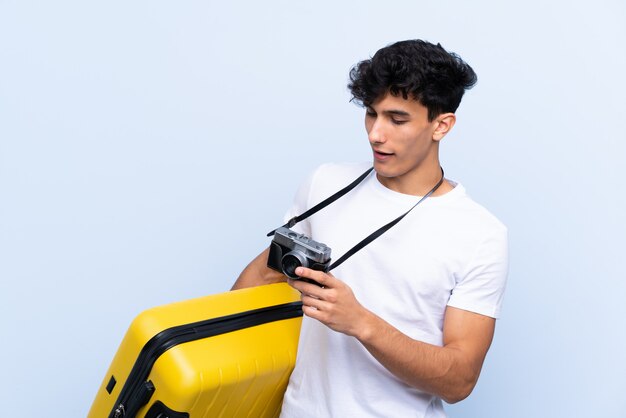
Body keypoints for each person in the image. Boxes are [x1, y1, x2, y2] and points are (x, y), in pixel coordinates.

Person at [232, 39, 508, 417]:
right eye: (370, 114)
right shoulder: (324, 183)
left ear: (441, 125)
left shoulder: (480, 234)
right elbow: (259, 282)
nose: (376, 134)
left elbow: (459, 380)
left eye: (397, 119)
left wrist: (361, 322)